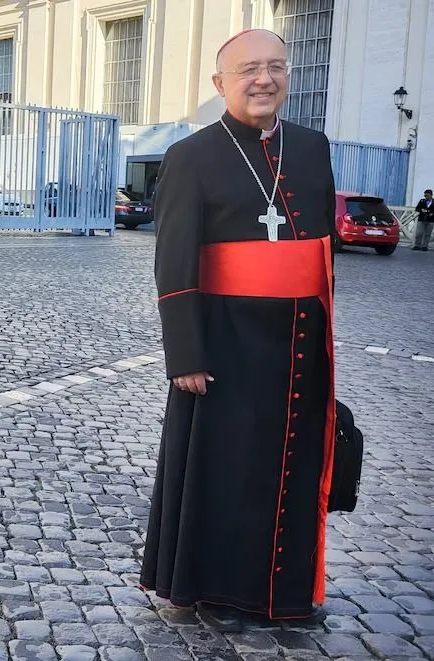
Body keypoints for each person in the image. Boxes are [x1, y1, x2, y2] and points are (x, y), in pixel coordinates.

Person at [139, 28, 338, 632]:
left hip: (299, 341)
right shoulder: (192, 155)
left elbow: (320, 249)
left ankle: (286, 594)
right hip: (223, 341)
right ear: (221, 83)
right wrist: (185, 355)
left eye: (275, 66)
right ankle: (217, 592)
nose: (264, 79)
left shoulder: (312, 146)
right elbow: (174, 263)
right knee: (226, 470)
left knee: (293, 466)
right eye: (249, 69)